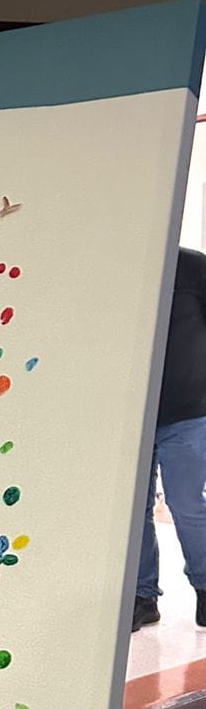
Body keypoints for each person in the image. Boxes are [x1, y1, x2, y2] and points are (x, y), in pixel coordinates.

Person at [134, 246, 206, 633]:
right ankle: (142, 597)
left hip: (189, 413)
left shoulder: (194, 267)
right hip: (132, 417)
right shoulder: (121, 267)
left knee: (186, 505)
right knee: (133, 510)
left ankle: (204, 587)